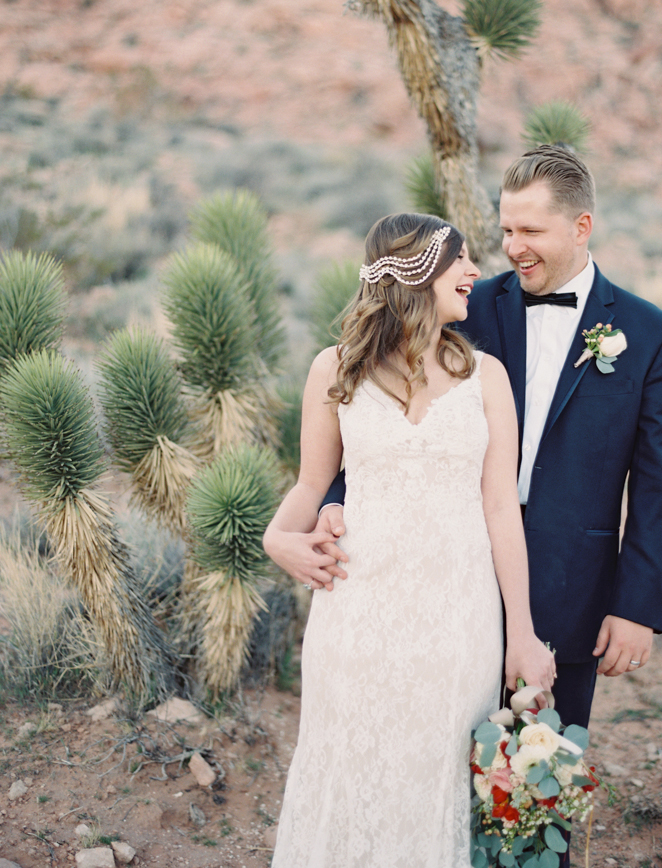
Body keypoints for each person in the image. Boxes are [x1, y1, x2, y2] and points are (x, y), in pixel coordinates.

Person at [316, 145, 662, 737]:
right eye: (507, 228)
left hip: (572, 580)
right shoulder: (464, 304)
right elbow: (379, 409)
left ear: (581, 226)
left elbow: (658, 481)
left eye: (531, 229)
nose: (513, 247)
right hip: (448, 564)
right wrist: (334, 498)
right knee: (437, 748)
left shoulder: (649, 333)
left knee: (540, 775)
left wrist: (636, 606)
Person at [263, 213, 556, 868]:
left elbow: (501, 509)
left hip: (458, 625)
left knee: (436, 781)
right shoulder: (332, 371)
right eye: (461, 259)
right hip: (356, 617)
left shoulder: (488, 379)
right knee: (350, 771)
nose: (476, 272)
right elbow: (311, 485)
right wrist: (276, 538)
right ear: (417, 270)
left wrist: (523, 634)